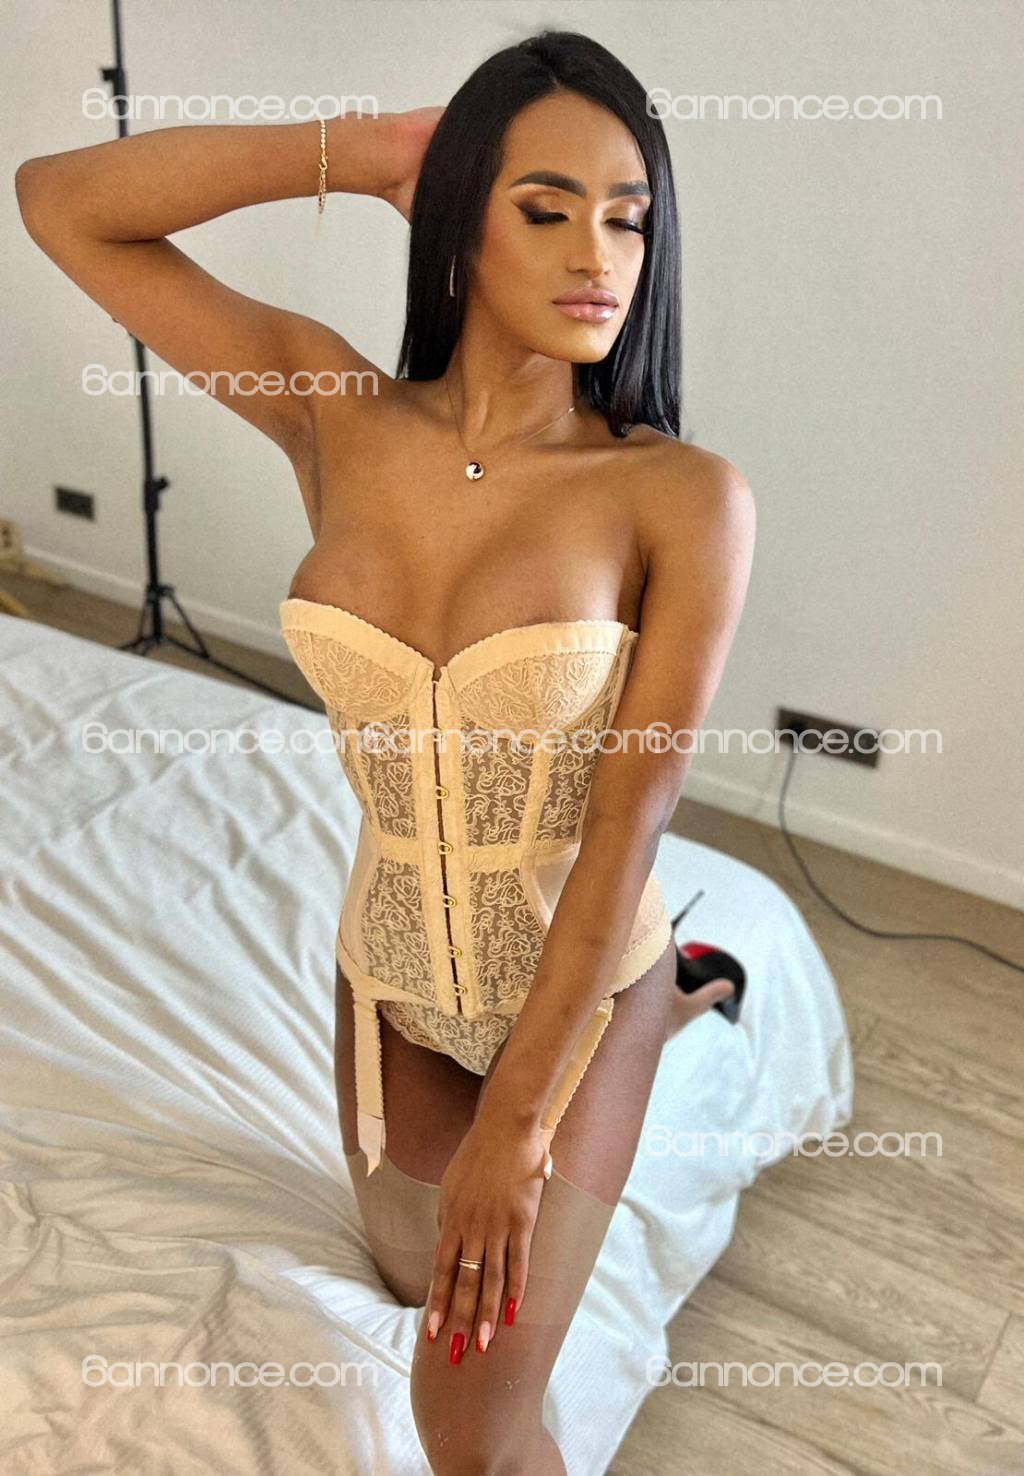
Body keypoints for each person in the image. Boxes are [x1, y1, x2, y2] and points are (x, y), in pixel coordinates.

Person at [16, 28, 755, 1474]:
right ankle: (688, 1004)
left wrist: (515, 1137)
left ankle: (669, 998)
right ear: (461, 216)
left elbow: (628, 822)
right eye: (544, 207)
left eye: (629, 219)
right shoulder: (333, 412)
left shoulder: (680, 496)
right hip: (391, 980)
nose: (598, 255)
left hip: (582, 980)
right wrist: (361, 155)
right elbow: (61, 202)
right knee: (420, 1280)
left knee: (465, 1422)